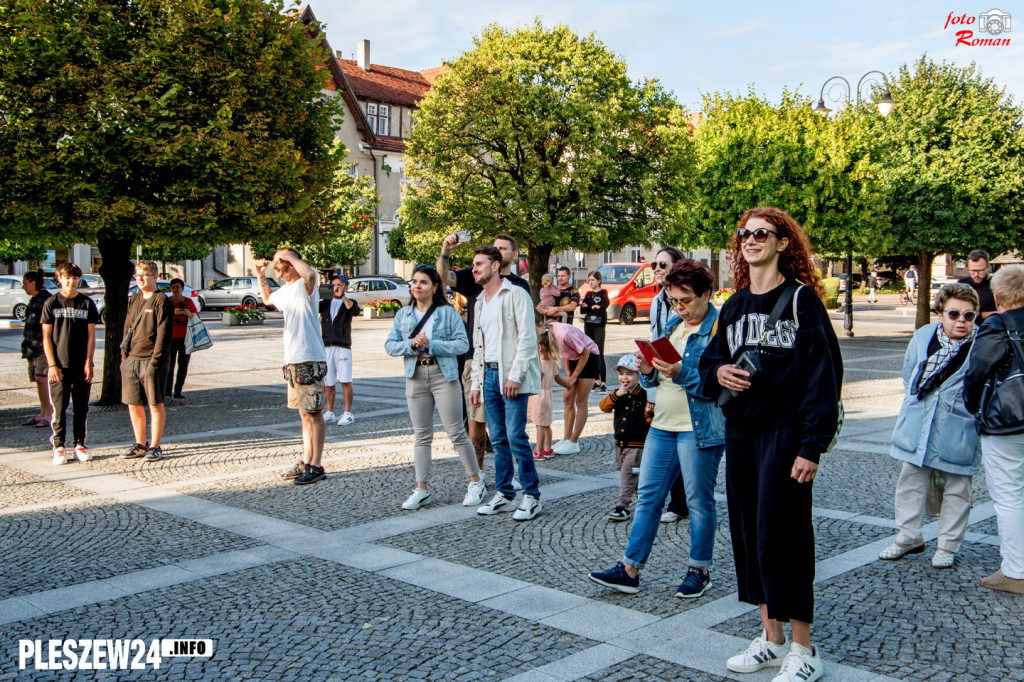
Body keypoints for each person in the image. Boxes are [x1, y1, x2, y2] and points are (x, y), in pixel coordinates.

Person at [699, 207, 842, 682]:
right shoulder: (735, 305)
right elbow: (709, 363)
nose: (751, 239)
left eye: (762, 233)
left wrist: (811, 445)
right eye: (744, 233)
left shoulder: (802, 300)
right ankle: (772, 638)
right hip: (742, 434)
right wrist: (717, 371)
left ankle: (806, 649)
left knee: (786, 536)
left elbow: (824, 378)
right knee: (750, 535)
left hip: (785, 435)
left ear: (783, 243)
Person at [589, 259, 724, 599]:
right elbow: (655, 379)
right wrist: (647, 369)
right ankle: (630, 569)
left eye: (686, 300)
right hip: (662, 425)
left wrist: (680, 372)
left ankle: (699, 569)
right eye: (673, 300)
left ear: (706, 294)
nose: (679, 307)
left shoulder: (719, 328)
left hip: (698, 428)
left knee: (698, 500)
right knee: (649, 497)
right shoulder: (674, 326)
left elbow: (715, 386)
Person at [879, 283, 980, 569]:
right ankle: (908, 537)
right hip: (918, 422)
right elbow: (909, 374)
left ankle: (948, 545)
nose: (961, 321)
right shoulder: (922, 335)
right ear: (940, 313)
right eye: (954, 314)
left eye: (968, 316)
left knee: (958, 485)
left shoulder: (982, 343)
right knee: (910, 479)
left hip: (958, 425)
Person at [385, 265, 486, 510]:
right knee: (421, 435)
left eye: (423, 282)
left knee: (456, 432)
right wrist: (411, 344)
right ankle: (421, 489)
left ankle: (476, 481)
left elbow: (463, 344)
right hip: (415, 375)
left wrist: (433, 344)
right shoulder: (404, 315)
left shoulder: (447, 313)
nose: (416, 286)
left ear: (434, 286)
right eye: (414, 282)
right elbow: (390, 345)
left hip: (443, 375)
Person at [437, 232, 530, 470]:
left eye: (503, 248)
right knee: (478, 421)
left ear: (512, 255)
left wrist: (518, 370)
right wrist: (445, 251)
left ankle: (516, 478)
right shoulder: (474, 279)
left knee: (512, 431)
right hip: (476, 361)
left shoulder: (519, 288)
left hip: (508, 365)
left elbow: (526, 333)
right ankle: (476, 476)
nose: (498, 250)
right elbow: (442, 276)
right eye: (494, 247)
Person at [469, 246, 543, 520]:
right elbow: (480, 345)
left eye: (479, 264)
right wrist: (476, 383)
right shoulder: (479, 301)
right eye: (474, 264)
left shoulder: (515, 294)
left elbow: (527, 338)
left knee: (516, 436)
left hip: (510, 374)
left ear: (496, 265)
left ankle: (532, 496)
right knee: (498, 438)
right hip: (488, 375)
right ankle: (504, 492)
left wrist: (515, 374)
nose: (474, 269)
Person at [963, 264, 1024, 595]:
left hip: (1008, 422)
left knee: (1010, 495)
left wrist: (972, 404)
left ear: (998, 298)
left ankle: (1016, 571)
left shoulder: (998, 324)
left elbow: (976, 372)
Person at [257, 248, 328, 486]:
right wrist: (260, 274)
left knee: (314, 413)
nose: (275, 265)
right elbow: (267, 300)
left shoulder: (305, 286)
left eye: (279, 261)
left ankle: (316, 465)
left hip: (309, 358)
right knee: (303, 413)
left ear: (291, 263)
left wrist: (291, 257)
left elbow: (310, 275)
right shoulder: (286, 291)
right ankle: (306, 460)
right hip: (293, 360)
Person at [41, 262, 100, 464]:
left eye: (75, 278)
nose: (71, 281)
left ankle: (79, 444)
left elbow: (91, 335)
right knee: (59, 408)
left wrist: (89, 361)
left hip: (81, 365)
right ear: (59, 278)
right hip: (59, 365)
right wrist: (52, 365)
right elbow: (46, 337)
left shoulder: (86, 303)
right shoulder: (52, 303)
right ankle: (58, 446)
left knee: (81, 408)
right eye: (67, 277)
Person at [119, 260, 173, 463]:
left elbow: (164, 335)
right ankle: (140, 443)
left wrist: (155, 362)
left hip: (151, 361)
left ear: (155, 277)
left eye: (144, 275)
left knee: (155, 403)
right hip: (132, 359)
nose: (140, 279)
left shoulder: (161, 301)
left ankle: (155, 445)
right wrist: (125, 358)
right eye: (137, 275)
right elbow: (127, 328)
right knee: (134, 404)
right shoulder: (134, 299)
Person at [650, 246, 689, 524]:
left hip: (685, 378)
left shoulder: (686, 301)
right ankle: (671, 501)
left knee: (685, 445)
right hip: (662, 379)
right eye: (655, 264)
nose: (657, 269)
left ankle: (681, 503)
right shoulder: (656, 302)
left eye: (663, 264)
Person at [597, 354, 651, 522]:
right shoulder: (617, 394)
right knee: (629, 473)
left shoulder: (644, 395)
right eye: (621, 374)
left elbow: (649, 419)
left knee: (627, 474)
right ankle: (645, 496)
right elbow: (603, 407)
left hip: (636, 444)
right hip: (620, 443)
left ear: (639, 375)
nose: (624, 378)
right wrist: (616, 394)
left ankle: (623, 506)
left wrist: (649, 413)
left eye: (629, 374)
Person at [545, 320, 599, 455]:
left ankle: (573, 441)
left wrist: (575, 375)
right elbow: (564, 351)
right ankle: (566, 438)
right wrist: (568, 371)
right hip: (574, 359)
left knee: (581, 401)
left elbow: (585, 352)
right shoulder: (549, 333)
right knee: (567, 400)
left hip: (589, 358)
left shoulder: (564, 333)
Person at [319, 274, 360, 425]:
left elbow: (355, 310)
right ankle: (329, 412)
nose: (336, 287)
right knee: (328, 382)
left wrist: (342, 297)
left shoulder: (348, 302)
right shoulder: (325, 303)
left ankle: (348, 413)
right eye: (334, 284)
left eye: (340, 285)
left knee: (345, 381)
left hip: (342, 346)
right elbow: (312, 306)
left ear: (346, 287)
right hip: (327, 346)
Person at [20, 271, 52, 428]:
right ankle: (43, 412)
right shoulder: (34, 300)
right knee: (38, 381)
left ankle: (49, 413)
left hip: (42, 347)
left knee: (42, 379)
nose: (23, 286)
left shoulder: (46, 299)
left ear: (33, 282)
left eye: (25, 283)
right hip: (32, 347)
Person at [164, 278, 198, 401]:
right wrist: (173, 313)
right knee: (169, 365)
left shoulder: (188, 302)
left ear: (182, 288)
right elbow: (160, 317)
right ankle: (167, 391)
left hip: (185, 339)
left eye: (177, 287)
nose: (175, 290)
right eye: (173, 287)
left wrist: (188, 313)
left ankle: (178, 391)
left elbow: (196, 318)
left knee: (183, 366)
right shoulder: (167, 302)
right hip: (170, 339)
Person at [529, 328, 559, 460]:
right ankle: (548, 448)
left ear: (539, 347)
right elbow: (557, 378)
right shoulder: (552, 362)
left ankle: (538, 450)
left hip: (538, 395)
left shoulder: (537, 363)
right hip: (548, 395)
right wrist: (568, 385)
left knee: (539, 425)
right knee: (546, 424)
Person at [580, 270, 609, 393]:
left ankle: (603, 383)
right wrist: (592, 306)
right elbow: (582, 309)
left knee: (599, 352)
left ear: (599, 280)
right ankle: (595, 381)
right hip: (589, 325)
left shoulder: (603, 293)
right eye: (589, 280)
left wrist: (590, 307)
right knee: (591, 353)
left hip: (599, 325)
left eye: (592, 280)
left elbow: (602, 307)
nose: (590, 282)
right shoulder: (588, 294)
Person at [958, 249, 997, 321]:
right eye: (972, 271)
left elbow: (1005, 312)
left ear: (988, 267)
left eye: (980, 271)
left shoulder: (997, 285)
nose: (976, 275)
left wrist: (979, 314)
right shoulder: (961, 285)